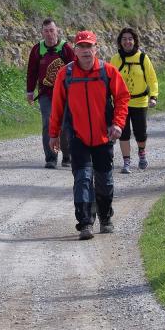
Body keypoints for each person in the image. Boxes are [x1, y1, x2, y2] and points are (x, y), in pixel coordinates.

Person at [49, 30, 130, 240]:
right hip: (77, 137)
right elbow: (57, 107)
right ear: (75, 50)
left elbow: (122, 98)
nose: (86, 51)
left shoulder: (108, 72)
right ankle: (85, 223)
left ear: (96, 48)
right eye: (81, 47)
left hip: (104, 136)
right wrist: (53, 134)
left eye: (89, 46)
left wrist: (118, 124)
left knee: (104, 180)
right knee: (83, 179)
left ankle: (105, 218)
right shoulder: (65, 74)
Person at [25, 18, 75, 169]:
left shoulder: (66, 48)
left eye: (51, 30)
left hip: (65, 94)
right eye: (46, 31)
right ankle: (51, 158)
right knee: (48, 123)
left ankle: (67, 156)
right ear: (42, 32)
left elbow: (75, 69)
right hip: (45, 93)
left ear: (57, 31)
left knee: (65, 125)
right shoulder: (37, 49)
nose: (49, 34)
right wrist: (29, 91)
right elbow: (32, 72)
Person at [111, 27, 159, 174]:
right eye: (124, 39)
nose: (127, 42)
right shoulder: (115, 59)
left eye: (130, 39)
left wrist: (154, 96)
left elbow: (152, 79)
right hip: (121, 103)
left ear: (135, 41)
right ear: (120, 42)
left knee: (141, 132)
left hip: (140, 101)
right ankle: (126, 162)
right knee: (122, 133)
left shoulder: (143, 58)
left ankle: (142, 153)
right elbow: (109, 80)